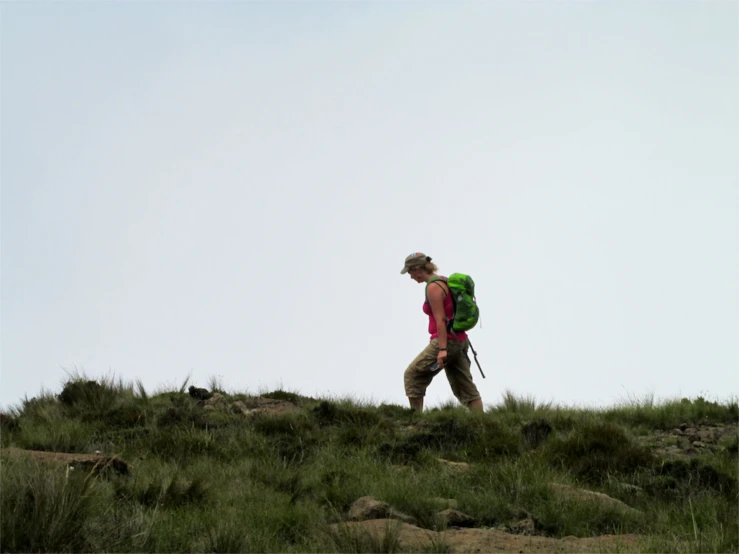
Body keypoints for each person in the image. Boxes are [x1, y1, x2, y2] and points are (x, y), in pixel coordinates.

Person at [400, 252, 484, 413]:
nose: (410, 277)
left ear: (418, 269)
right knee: (465, 386)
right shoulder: (444, 281)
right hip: (460, 340)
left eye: (410, 272)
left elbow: (441, 320)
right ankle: (483, 424)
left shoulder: (433, 287)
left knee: (412, 375)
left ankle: (415, 420)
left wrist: (442, 349)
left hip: (445, 342)